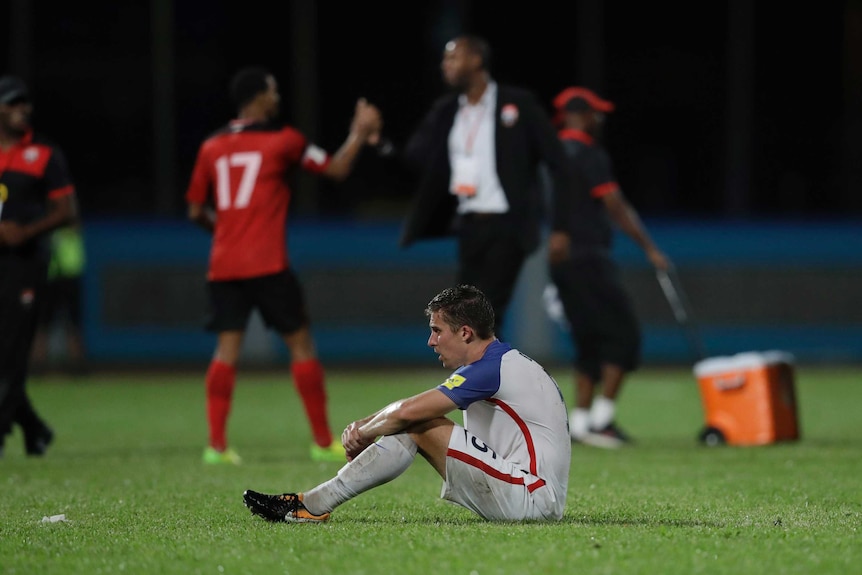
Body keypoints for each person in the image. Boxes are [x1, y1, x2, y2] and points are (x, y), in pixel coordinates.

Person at [185, 66, 382, 465]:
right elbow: (336, 169)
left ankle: (216, 447)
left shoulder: (211, 146)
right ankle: (323, 441)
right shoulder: (283, 140)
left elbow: (194, 210)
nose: (277, 97)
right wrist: (359, 133)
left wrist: (225, 231)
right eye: (273, 91)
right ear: (258, 97)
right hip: (267, 262)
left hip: (224, 263)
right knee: (301, 345)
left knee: (225, 352)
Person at [243, 284, 571, 523]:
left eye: (437, 331)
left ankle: (311, 505)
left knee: (417, 422)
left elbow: (409, 412)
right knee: (413, 420)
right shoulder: (501, 363)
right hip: (532, 494)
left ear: (466, 333)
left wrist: (364, 431)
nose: (431, 341)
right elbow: (409, 409)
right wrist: (368, 425)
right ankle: (311, 503)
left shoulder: (490, 369)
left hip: (531, 499)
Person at [396, 35, 569, 339]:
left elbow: (558, 161)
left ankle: (484, 382)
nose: (445, 65)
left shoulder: (518, 103)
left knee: (484, 313)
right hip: (469, 227)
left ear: (476, 60)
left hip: (507, 225)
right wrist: (378, 142)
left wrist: (560, 226)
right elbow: (413, 156)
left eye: (453, 58)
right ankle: (489, 383)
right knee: (467, 315)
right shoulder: (448, 110)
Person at [546, 86, 670, 448]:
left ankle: (582, 424)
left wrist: (556, 232)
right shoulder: (588, 153)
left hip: (561, 262)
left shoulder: (550, 156)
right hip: (589, 257)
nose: (599, 120)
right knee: (624, 337)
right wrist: (650, 248)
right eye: (595, 113)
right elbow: (615, 205)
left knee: (587, 340)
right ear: (582, 115)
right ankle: (601, 421)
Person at [0, 75, 79, 457]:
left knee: (14, 351)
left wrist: (25, 231)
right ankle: (34, 427)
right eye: (12, 103)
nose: (22, 109)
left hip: (28, 263)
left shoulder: (44, 153)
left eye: (24, 103)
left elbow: (67, 211)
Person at [31, 222, 88, 376]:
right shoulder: (44, 219)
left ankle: (77, 368)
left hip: (70, 276)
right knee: (43, 323)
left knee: (73, 323)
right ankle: (37, 367)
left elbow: (75, 226)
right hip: (51, 277)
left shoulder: (68, 216)